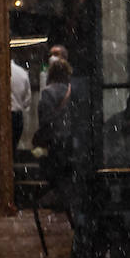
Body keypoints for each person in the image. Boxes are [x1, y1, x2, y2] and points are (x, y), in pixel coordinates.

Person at [34, 58, 75, 202]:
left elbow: (44, 118)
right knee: (66, 171)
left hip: (54, 139)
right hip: (69, 138)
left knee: (53, 169)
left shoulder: (48, 92)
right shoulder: (72, 90)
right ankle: (65, 199)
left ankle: (55, 196)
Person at [9, 59, 30, 146]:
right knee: (12, 147)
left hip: (0, 115)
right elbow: (27, 100)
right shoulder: (22, 73)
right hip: (17, 116)